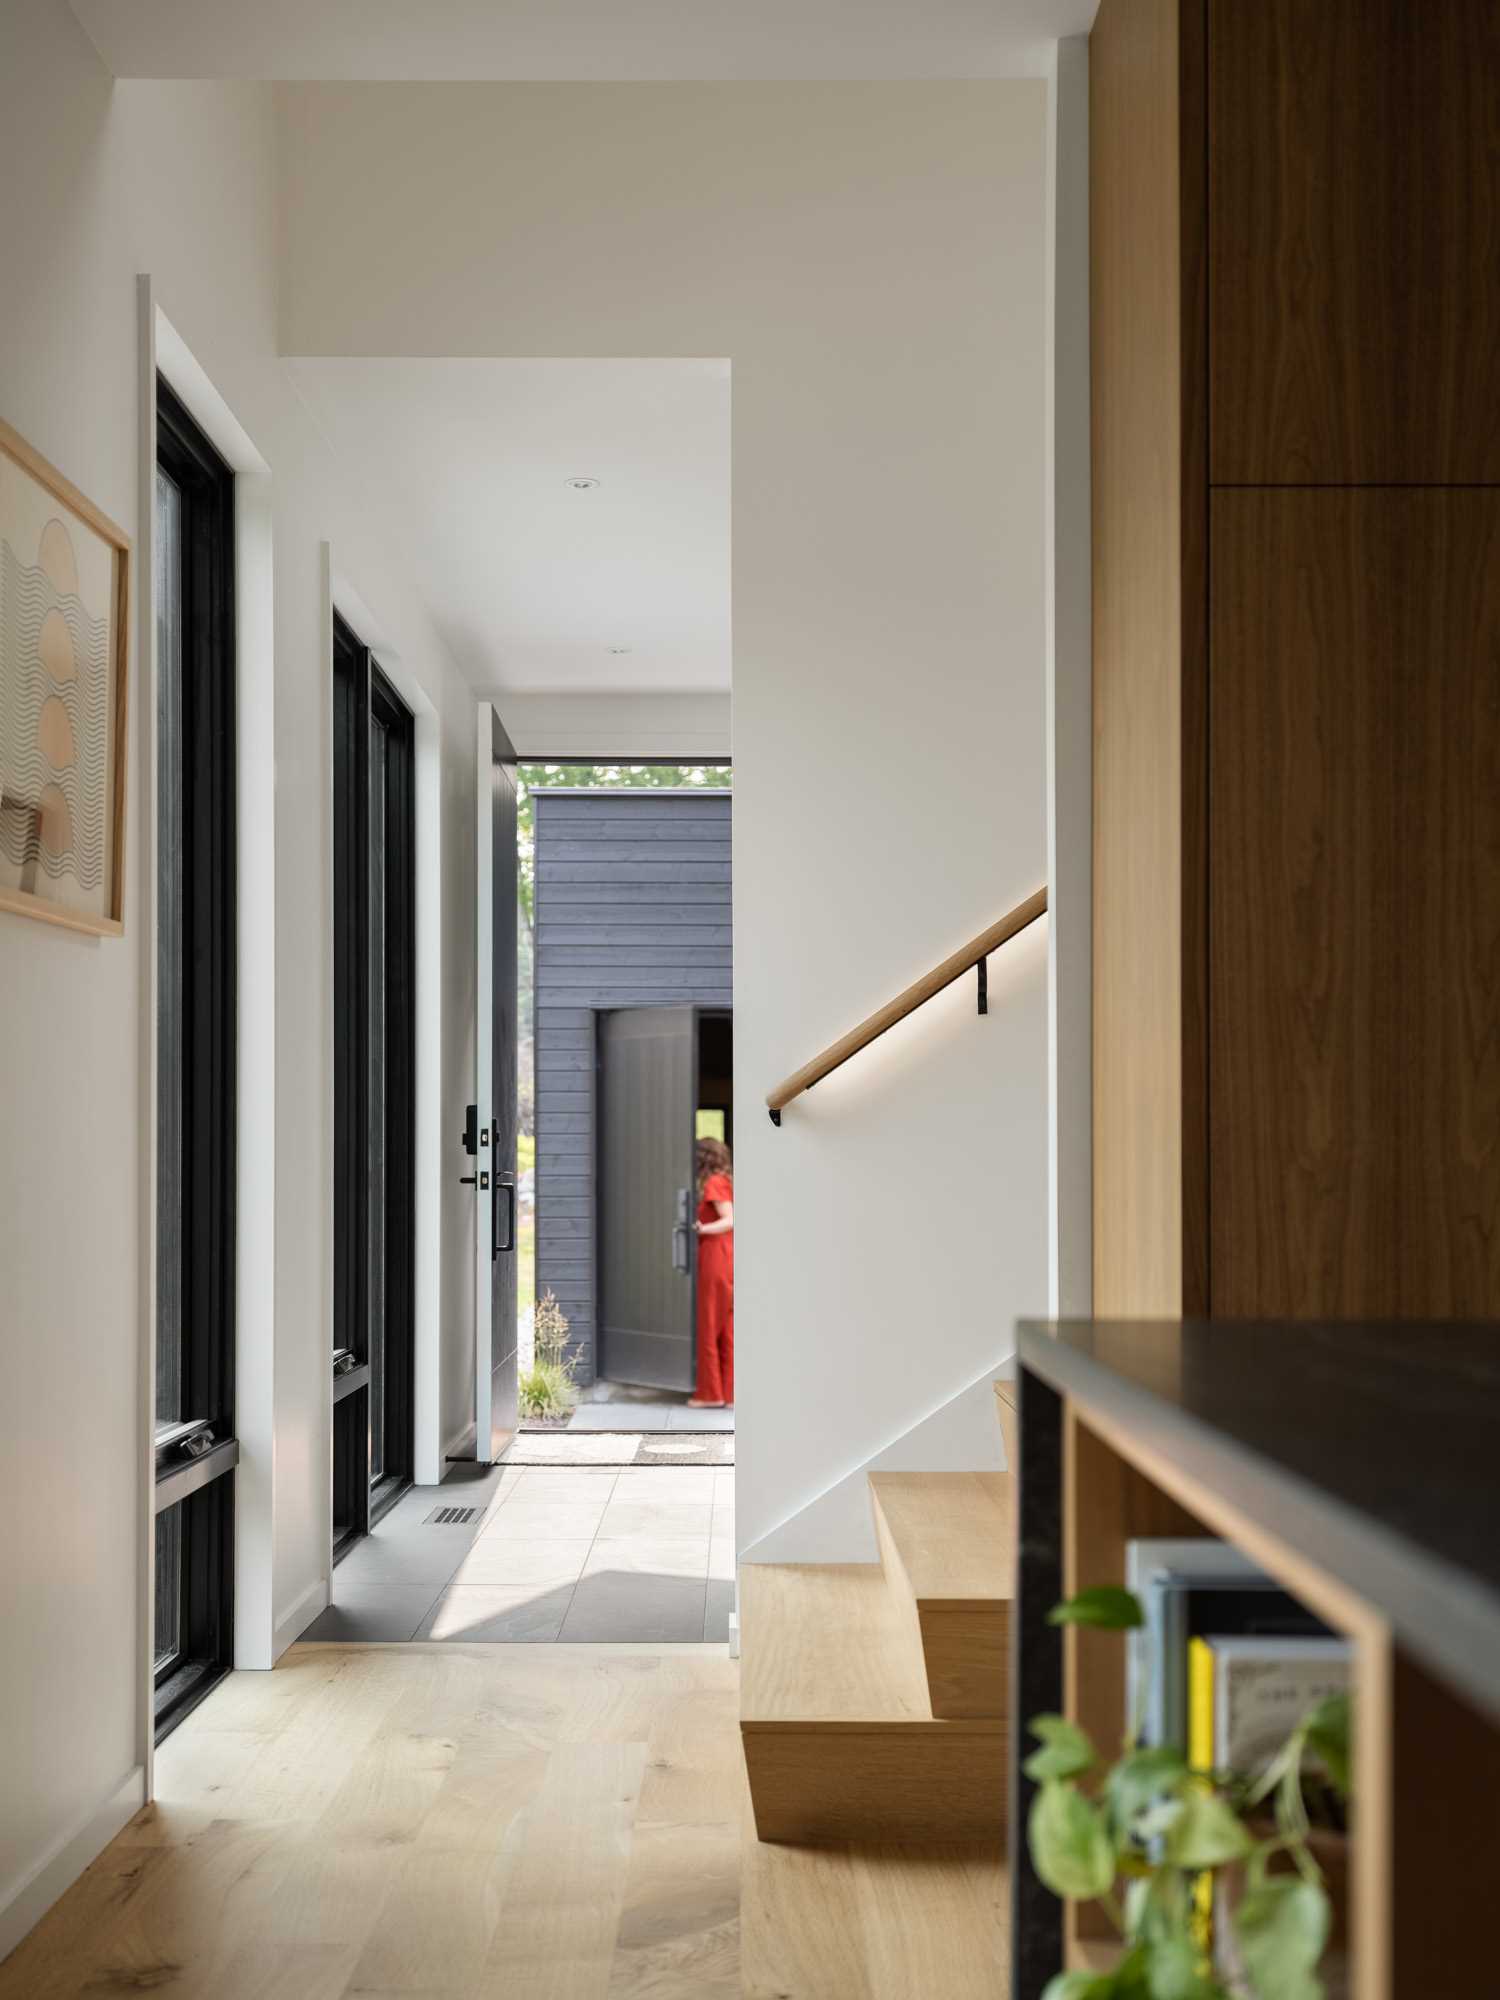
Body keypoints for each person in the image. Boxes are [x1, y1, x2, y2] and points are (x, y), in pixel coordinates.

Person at [688, 1136, 733, 1408]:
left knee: (708, 1323)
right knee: (726, 1329)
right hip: (725, 1256)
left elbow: (730, 1219)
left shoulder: (714, 1183)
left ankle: (710, 1394)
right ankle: (729, 1394)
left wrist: (701, 1229)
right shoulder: (724, 1180)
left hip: (715, 1255)